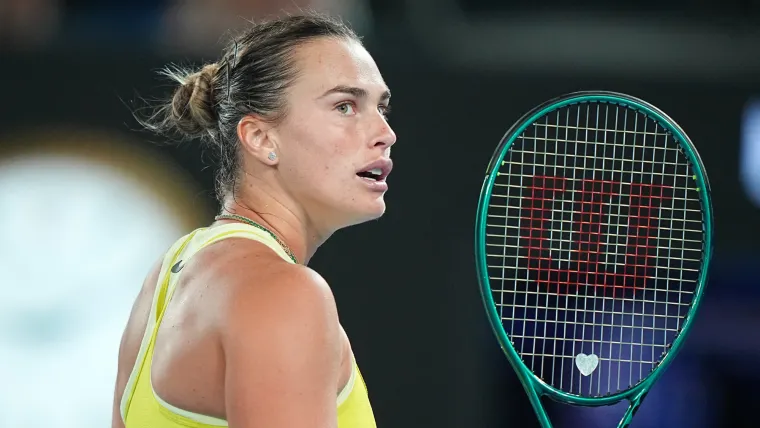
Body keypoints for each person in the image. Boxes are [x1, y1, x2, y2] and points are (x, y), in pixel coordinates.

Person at [111, 12, 396, 428]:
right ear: (261, 138)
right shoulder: (286, 294)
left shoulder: (169, 272)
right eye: (345, 106)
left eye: (382, 107)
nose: (385, 132)